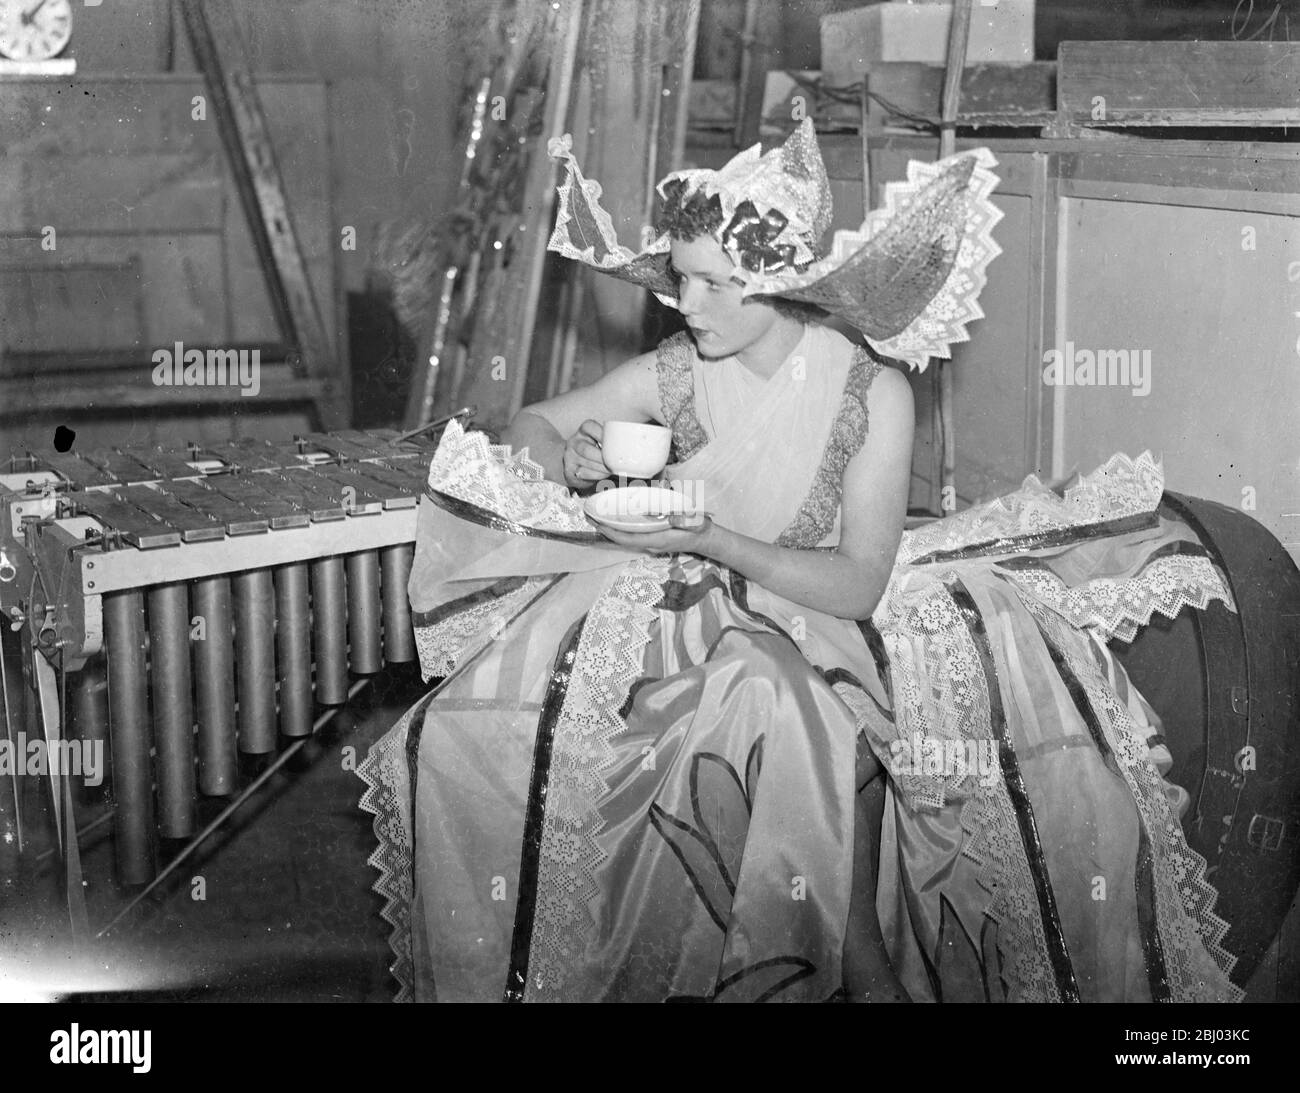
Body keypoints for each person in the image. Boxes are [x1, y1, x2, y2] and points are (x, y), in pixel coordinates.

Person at [359, 119, 1242, 1003]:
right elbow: (532, 426)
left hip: (830, 623)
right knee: (489, 729)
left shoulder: (871, 393)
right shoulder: (681, 369)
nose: (685, 303)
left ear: (780, 287)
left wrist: (711, 539)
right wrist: (572, 460)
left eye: (711, 283)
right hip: (698, 613)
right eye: (681, 278)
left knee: (776, 690)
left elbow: (859, 581)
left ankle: (844, 970)